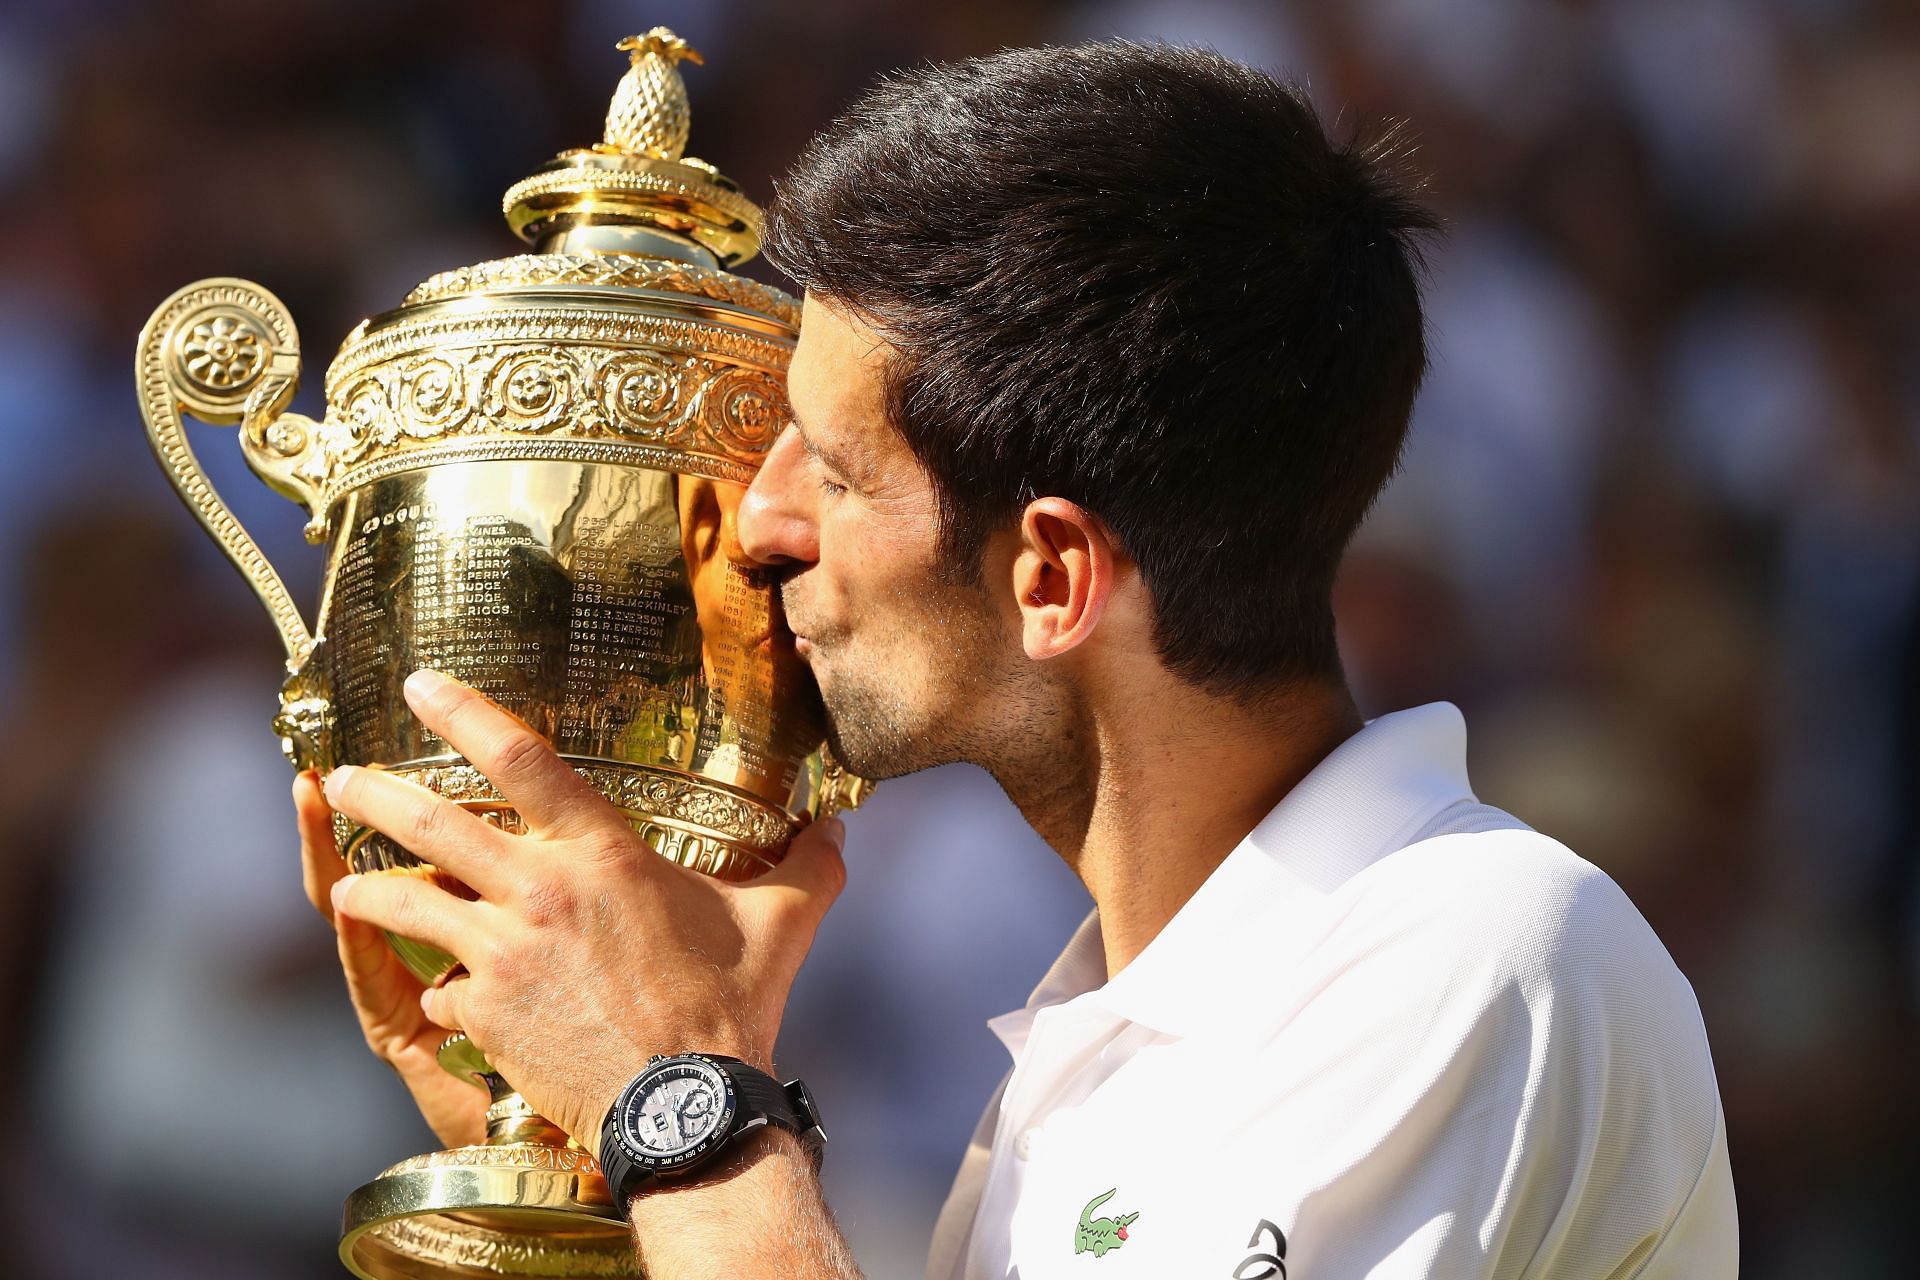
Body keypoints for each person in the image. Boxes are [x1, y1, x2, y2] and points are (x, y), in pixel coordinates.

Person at [294, 41, 1736, 1278]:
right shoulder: (1096, 1049)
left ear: (1051, 575)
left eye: (837, 469)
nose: (762, 524)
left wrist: (683, 1101)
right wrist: (567, 1177)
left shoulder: (1476, 955)